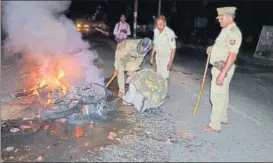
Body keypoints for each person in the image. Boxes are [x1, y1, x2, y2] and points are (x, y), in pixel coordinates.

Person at [204, 7, 242, 133]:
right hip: (220, 67)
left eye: (221, 18)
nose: (219, 20)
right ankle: (223, 117)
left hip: (223, 69)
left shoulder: (233, 33)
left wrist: (222, 74)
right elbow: (223, 47)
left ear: (228, 17)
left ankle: (215, 125)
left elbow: (232, 55)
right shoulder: (226, 30)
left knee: (217, 97)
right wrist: (212, 48)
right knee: (223, 94)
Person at [149, 15, 177, 98]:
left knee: (164, 76)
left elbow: (173, 48)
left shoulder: (170, 32)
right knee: (158, 74)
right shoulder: (155, 31)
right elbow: (155, 44)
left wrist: (170, 62)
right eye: (157, 24)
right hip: (158, 56)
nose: (159, 25)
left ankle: (164, 94)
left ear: (165, 23)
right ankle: (159, 91)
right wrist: (151, 56)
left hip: (166, 58)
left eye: (161, 23)